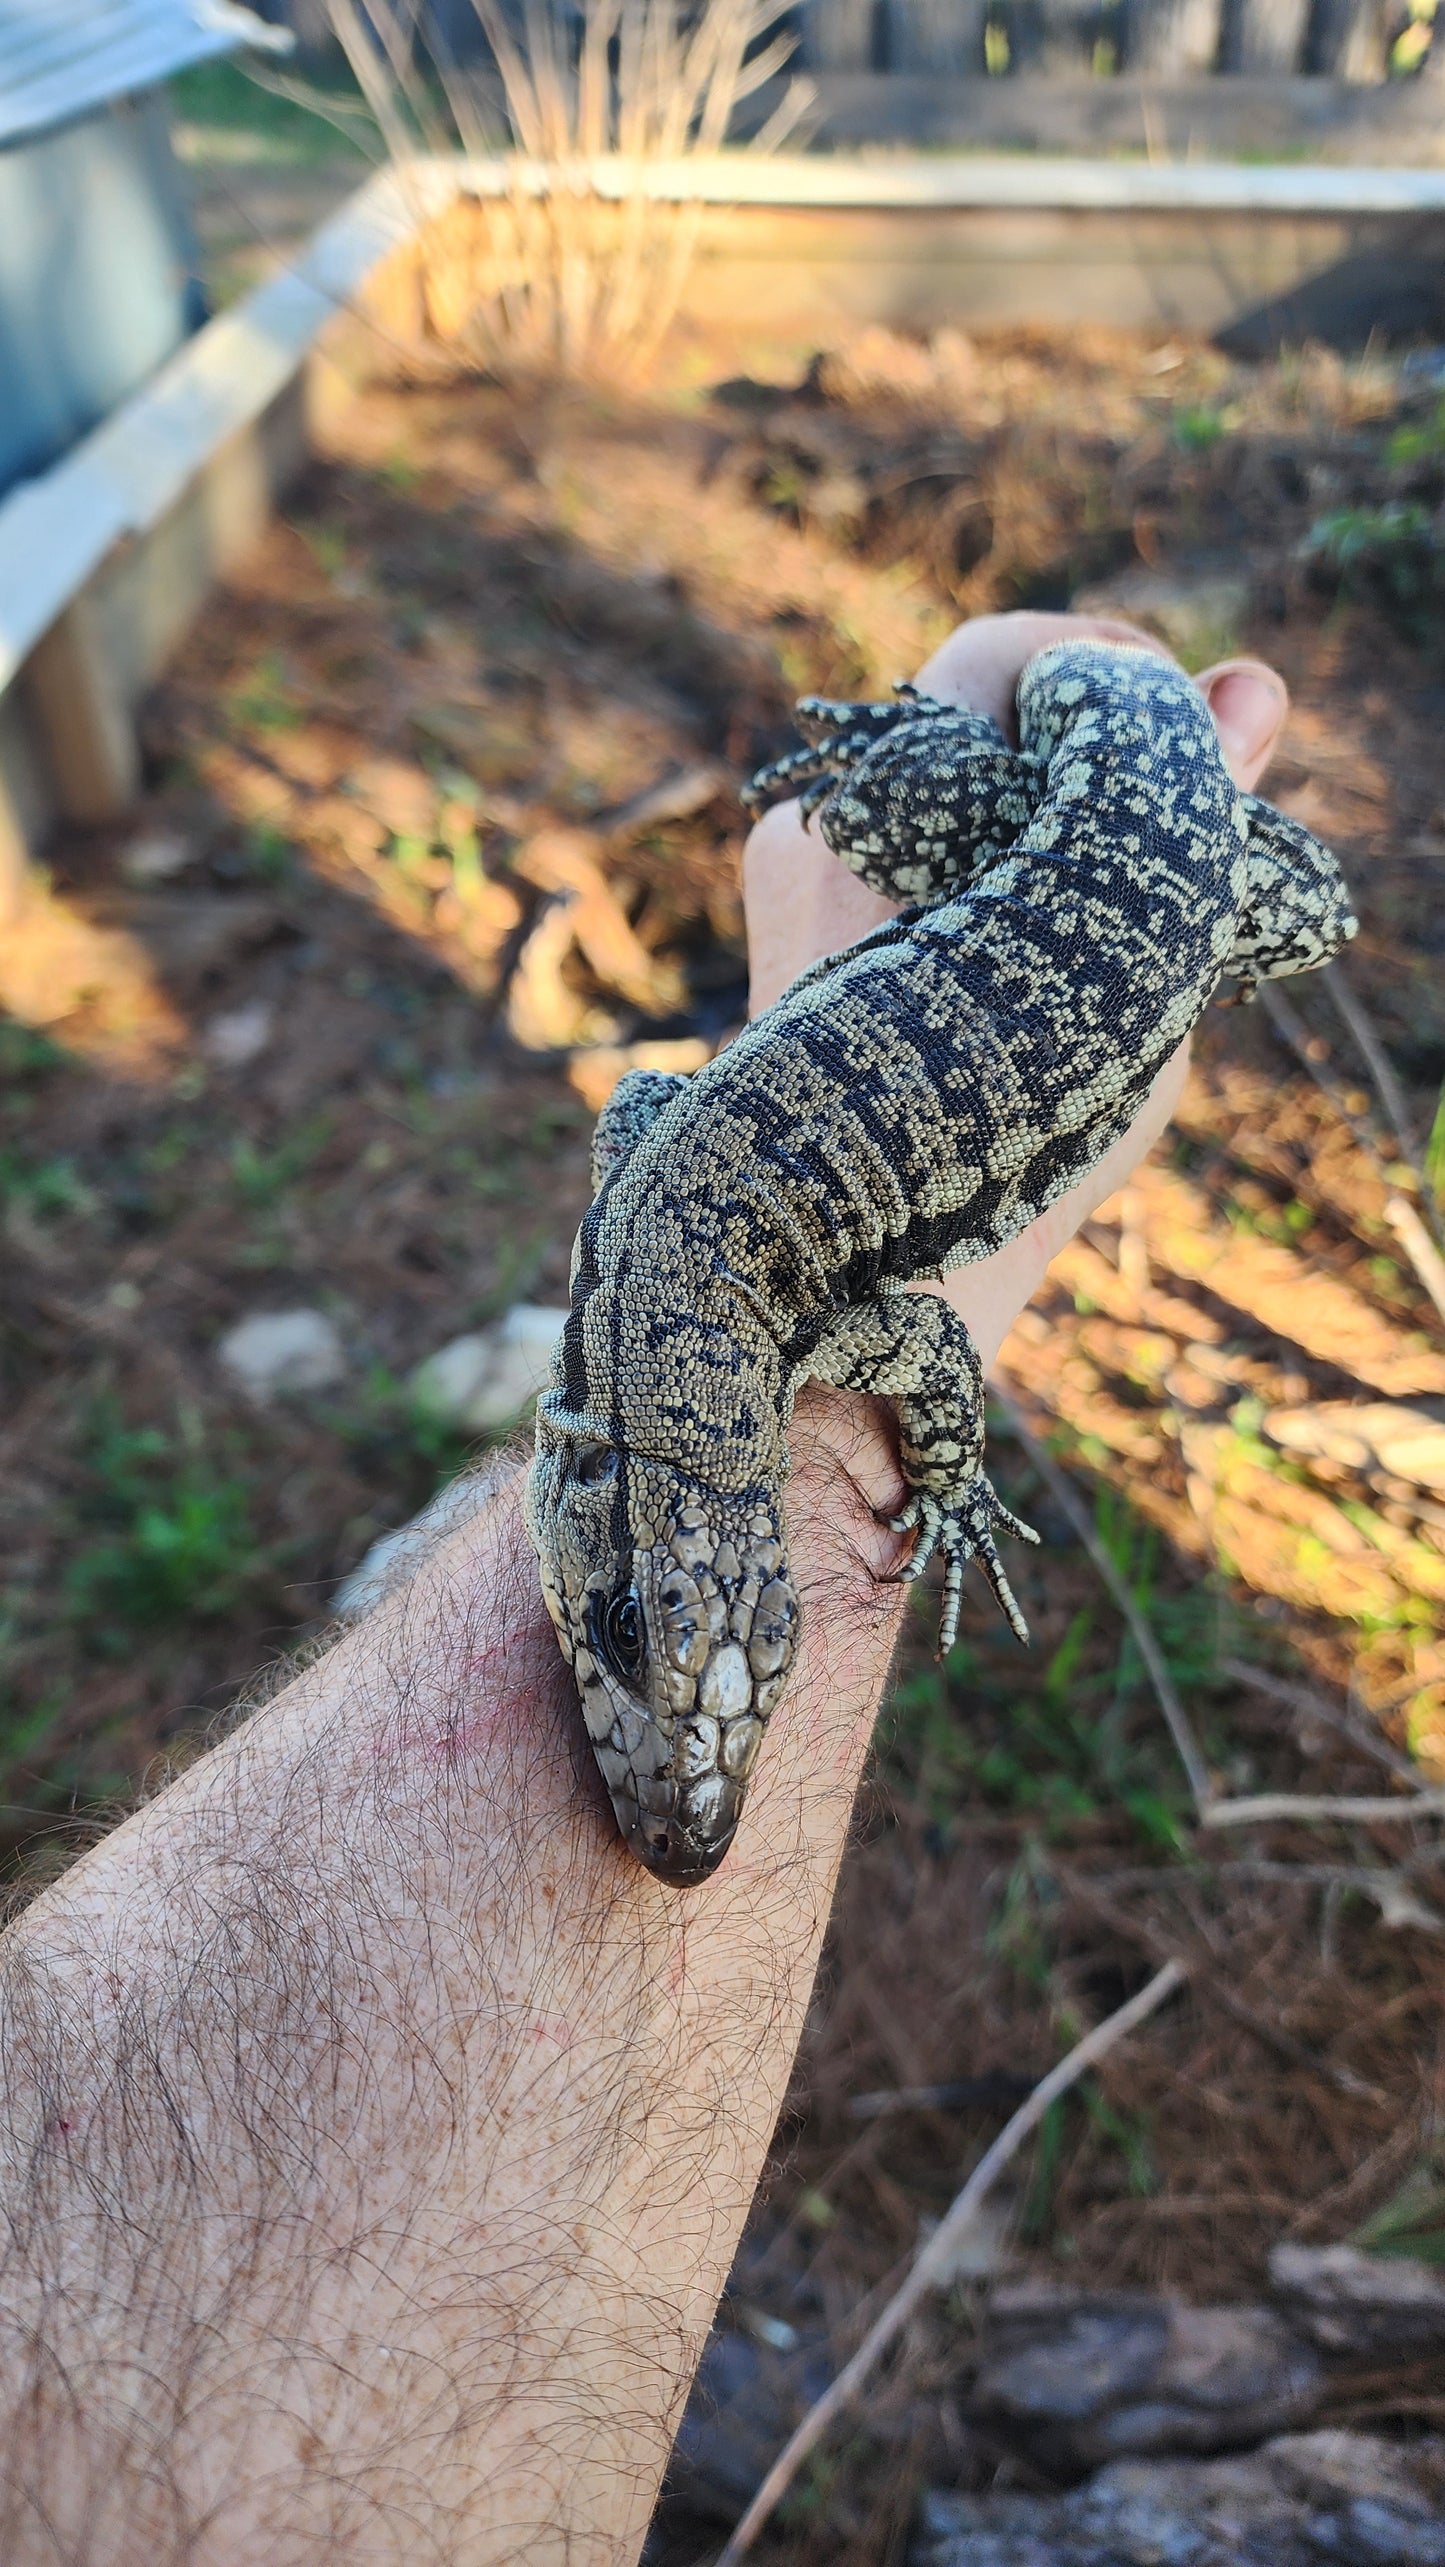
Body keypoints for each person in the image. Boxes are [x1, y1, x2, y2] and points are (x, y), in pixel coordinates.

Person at [0, 613, 1289, 2563]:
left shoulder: (693, 1253)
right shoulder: (665, 1229)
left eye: (683, 1649)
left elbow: (856, 1305)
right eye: (666, 1643)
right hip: (1107, 799)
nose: (684, 1777)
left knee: (1300, 911)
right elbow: (691, 1170)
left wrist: (912, 1471)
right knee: (1254, 900)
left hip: (1094, 784)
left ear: (582, 1469)